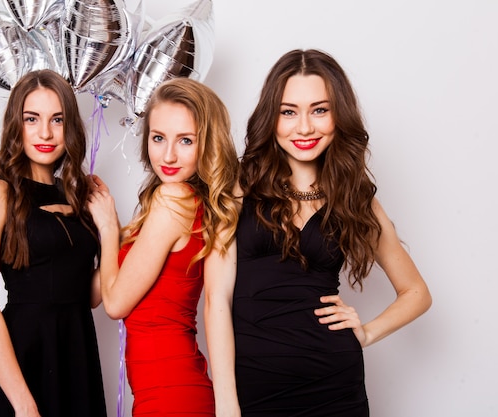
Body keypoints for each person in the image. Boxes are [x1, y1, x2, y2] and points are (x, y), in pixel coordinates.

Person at [231, 49, 433, 416]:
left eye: (319, 110)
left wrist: (366, 332)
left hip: (335, 384)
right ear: (270, 117)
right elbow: (211, 297)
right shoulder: (238, 187)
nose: (304, 127)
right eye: (288, 111)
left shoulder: (355, 199)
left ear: (339, 115)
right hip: (253, 384)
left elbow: (417, 292)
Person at [0, 69, 107, 417]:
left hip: (73, 362)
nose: (45, 132)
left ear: (70, 126)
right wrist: (24, 405)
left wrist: (110, 228)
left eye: (57, 119)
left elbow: (90, 296)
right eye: (32, 119)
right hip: (15, 375)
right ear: (16, 124)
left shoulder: (80, 197)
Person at [87, 77, 240, 416]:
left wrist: (110, 228)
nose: (168, 155)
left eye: (186, 140)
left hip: (171, 393)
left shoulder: (173, 201)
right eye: (158, 138)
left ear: (208, 145)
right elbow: (94, 292)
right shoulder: (184, 202)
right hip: (168, 389)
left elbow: (114, 304)